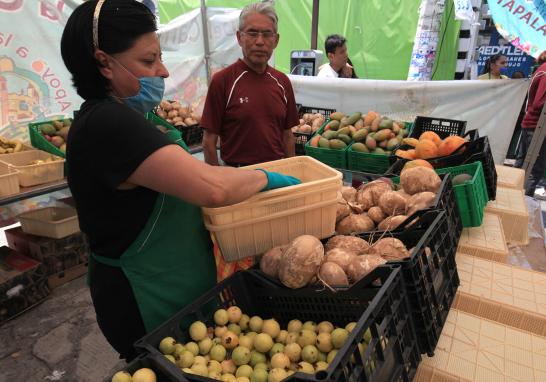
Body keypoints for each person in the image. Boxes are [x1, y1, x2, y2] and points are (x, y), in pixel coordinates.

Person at [60, 0, 300, 361]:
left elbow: (203, 178)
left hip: (178, 290)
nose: (164, 71)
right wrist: (267, 177)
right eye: (148, 61)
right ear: (103, 62)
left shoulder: (130, 118)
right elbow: (213, 187)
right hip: (146, 296)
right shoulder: (107, 125)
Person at [201, 2, 298, 167]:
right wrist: (219, 181)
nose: (260, 41)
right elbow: (209, 142)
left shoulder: (282, 82)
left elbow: (287, 136)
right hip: (237, 175)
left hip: (276, 175)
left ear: (276, 40)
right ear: (239, 38)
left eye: (267, 34)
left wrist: (292, 176)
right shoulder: (223, 81)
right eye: (252, 33)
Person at [515, 51, 546, 197]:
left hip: (532, 125)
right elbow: (540, 103)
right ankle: (519, 207)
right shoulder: (545, 71)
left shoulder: (542, 69)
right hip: (537, 127)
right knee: (533, 170)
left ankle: (511, 202)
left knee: (521, 167)